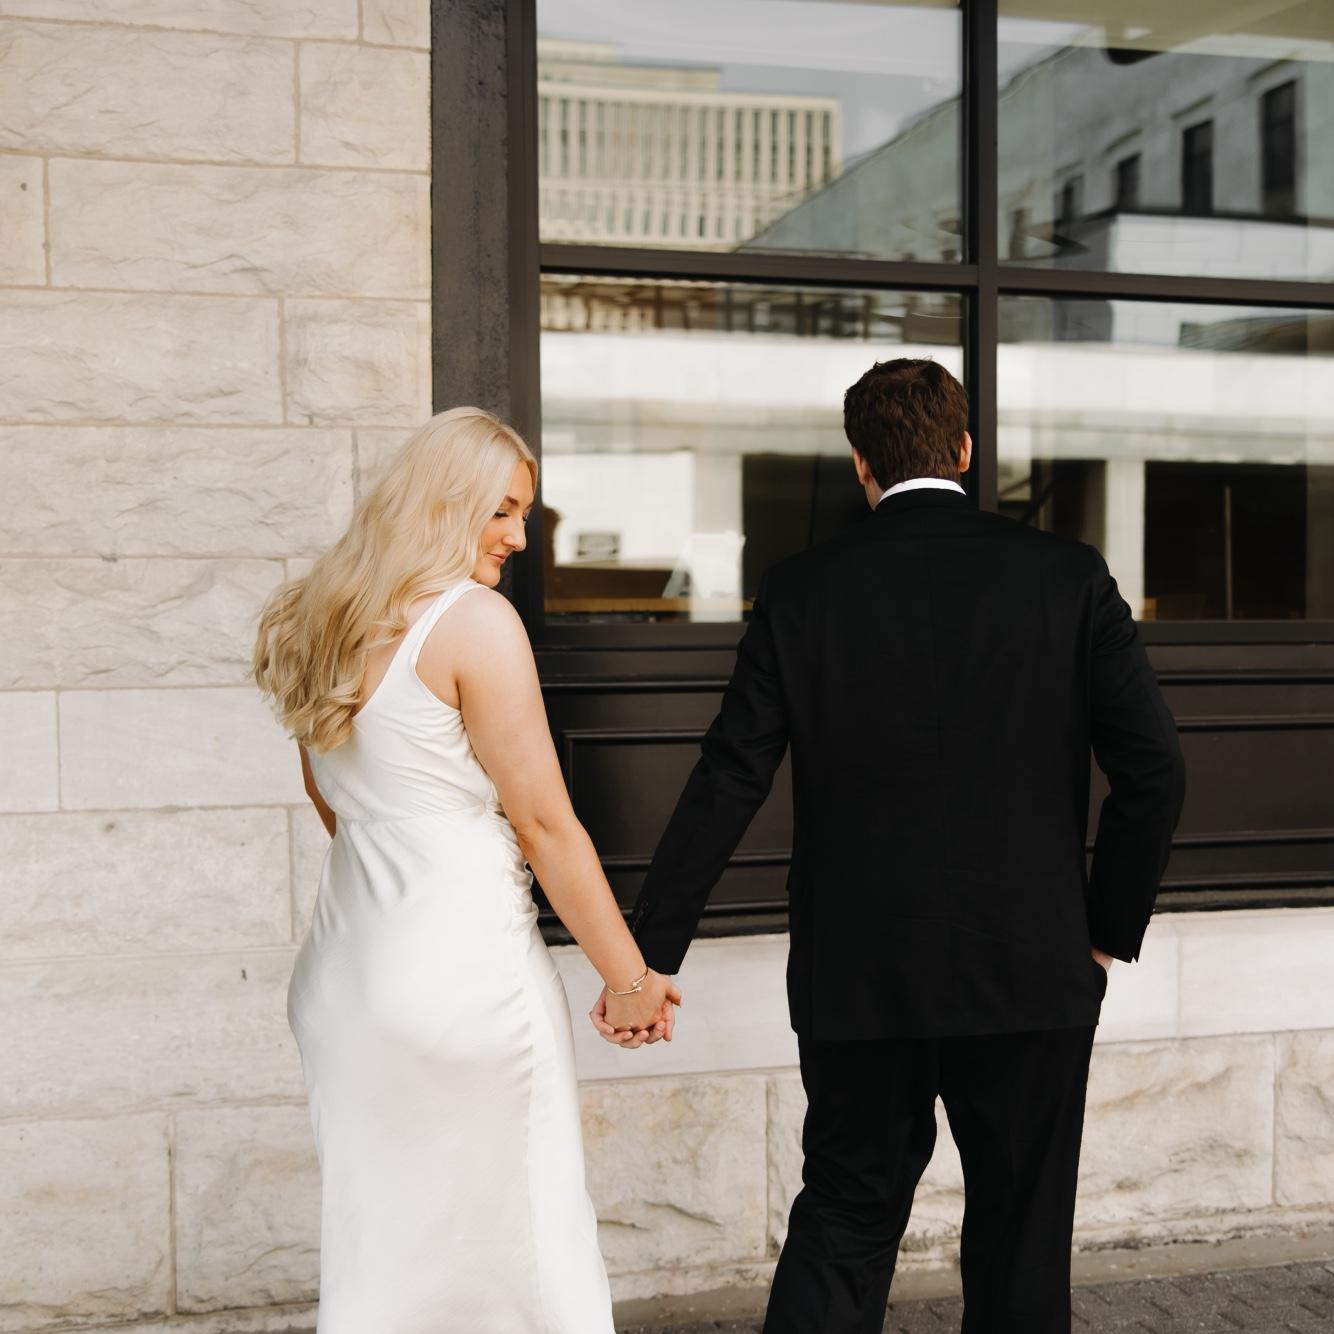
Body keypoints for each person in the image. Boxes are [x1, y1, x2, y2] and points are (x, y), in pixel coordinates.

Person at [615, 360, 1186, 1333]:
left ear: (859, 462)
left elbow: (729, 775)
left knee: (846, 1209)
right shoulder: (1066, 576)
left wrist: (650, 950)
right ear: (962, 449)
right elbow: (1155, 769)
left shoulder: (801, 590)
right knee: (1020, 1232)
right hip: (1030, 964)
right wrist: (1101, 931)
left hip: (858, 970)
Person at [253, 406, 679, 1334]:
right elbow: (544, 823)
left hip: (344, 981)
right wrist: (630, 980)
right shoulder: (473, 622)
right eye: (502, 511)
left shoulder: (316, 618)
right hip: (464, 979)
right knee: (529, 1240)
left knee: (381, 1250)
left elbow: (336, 808)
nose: (520, 538)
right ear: (442, 502)